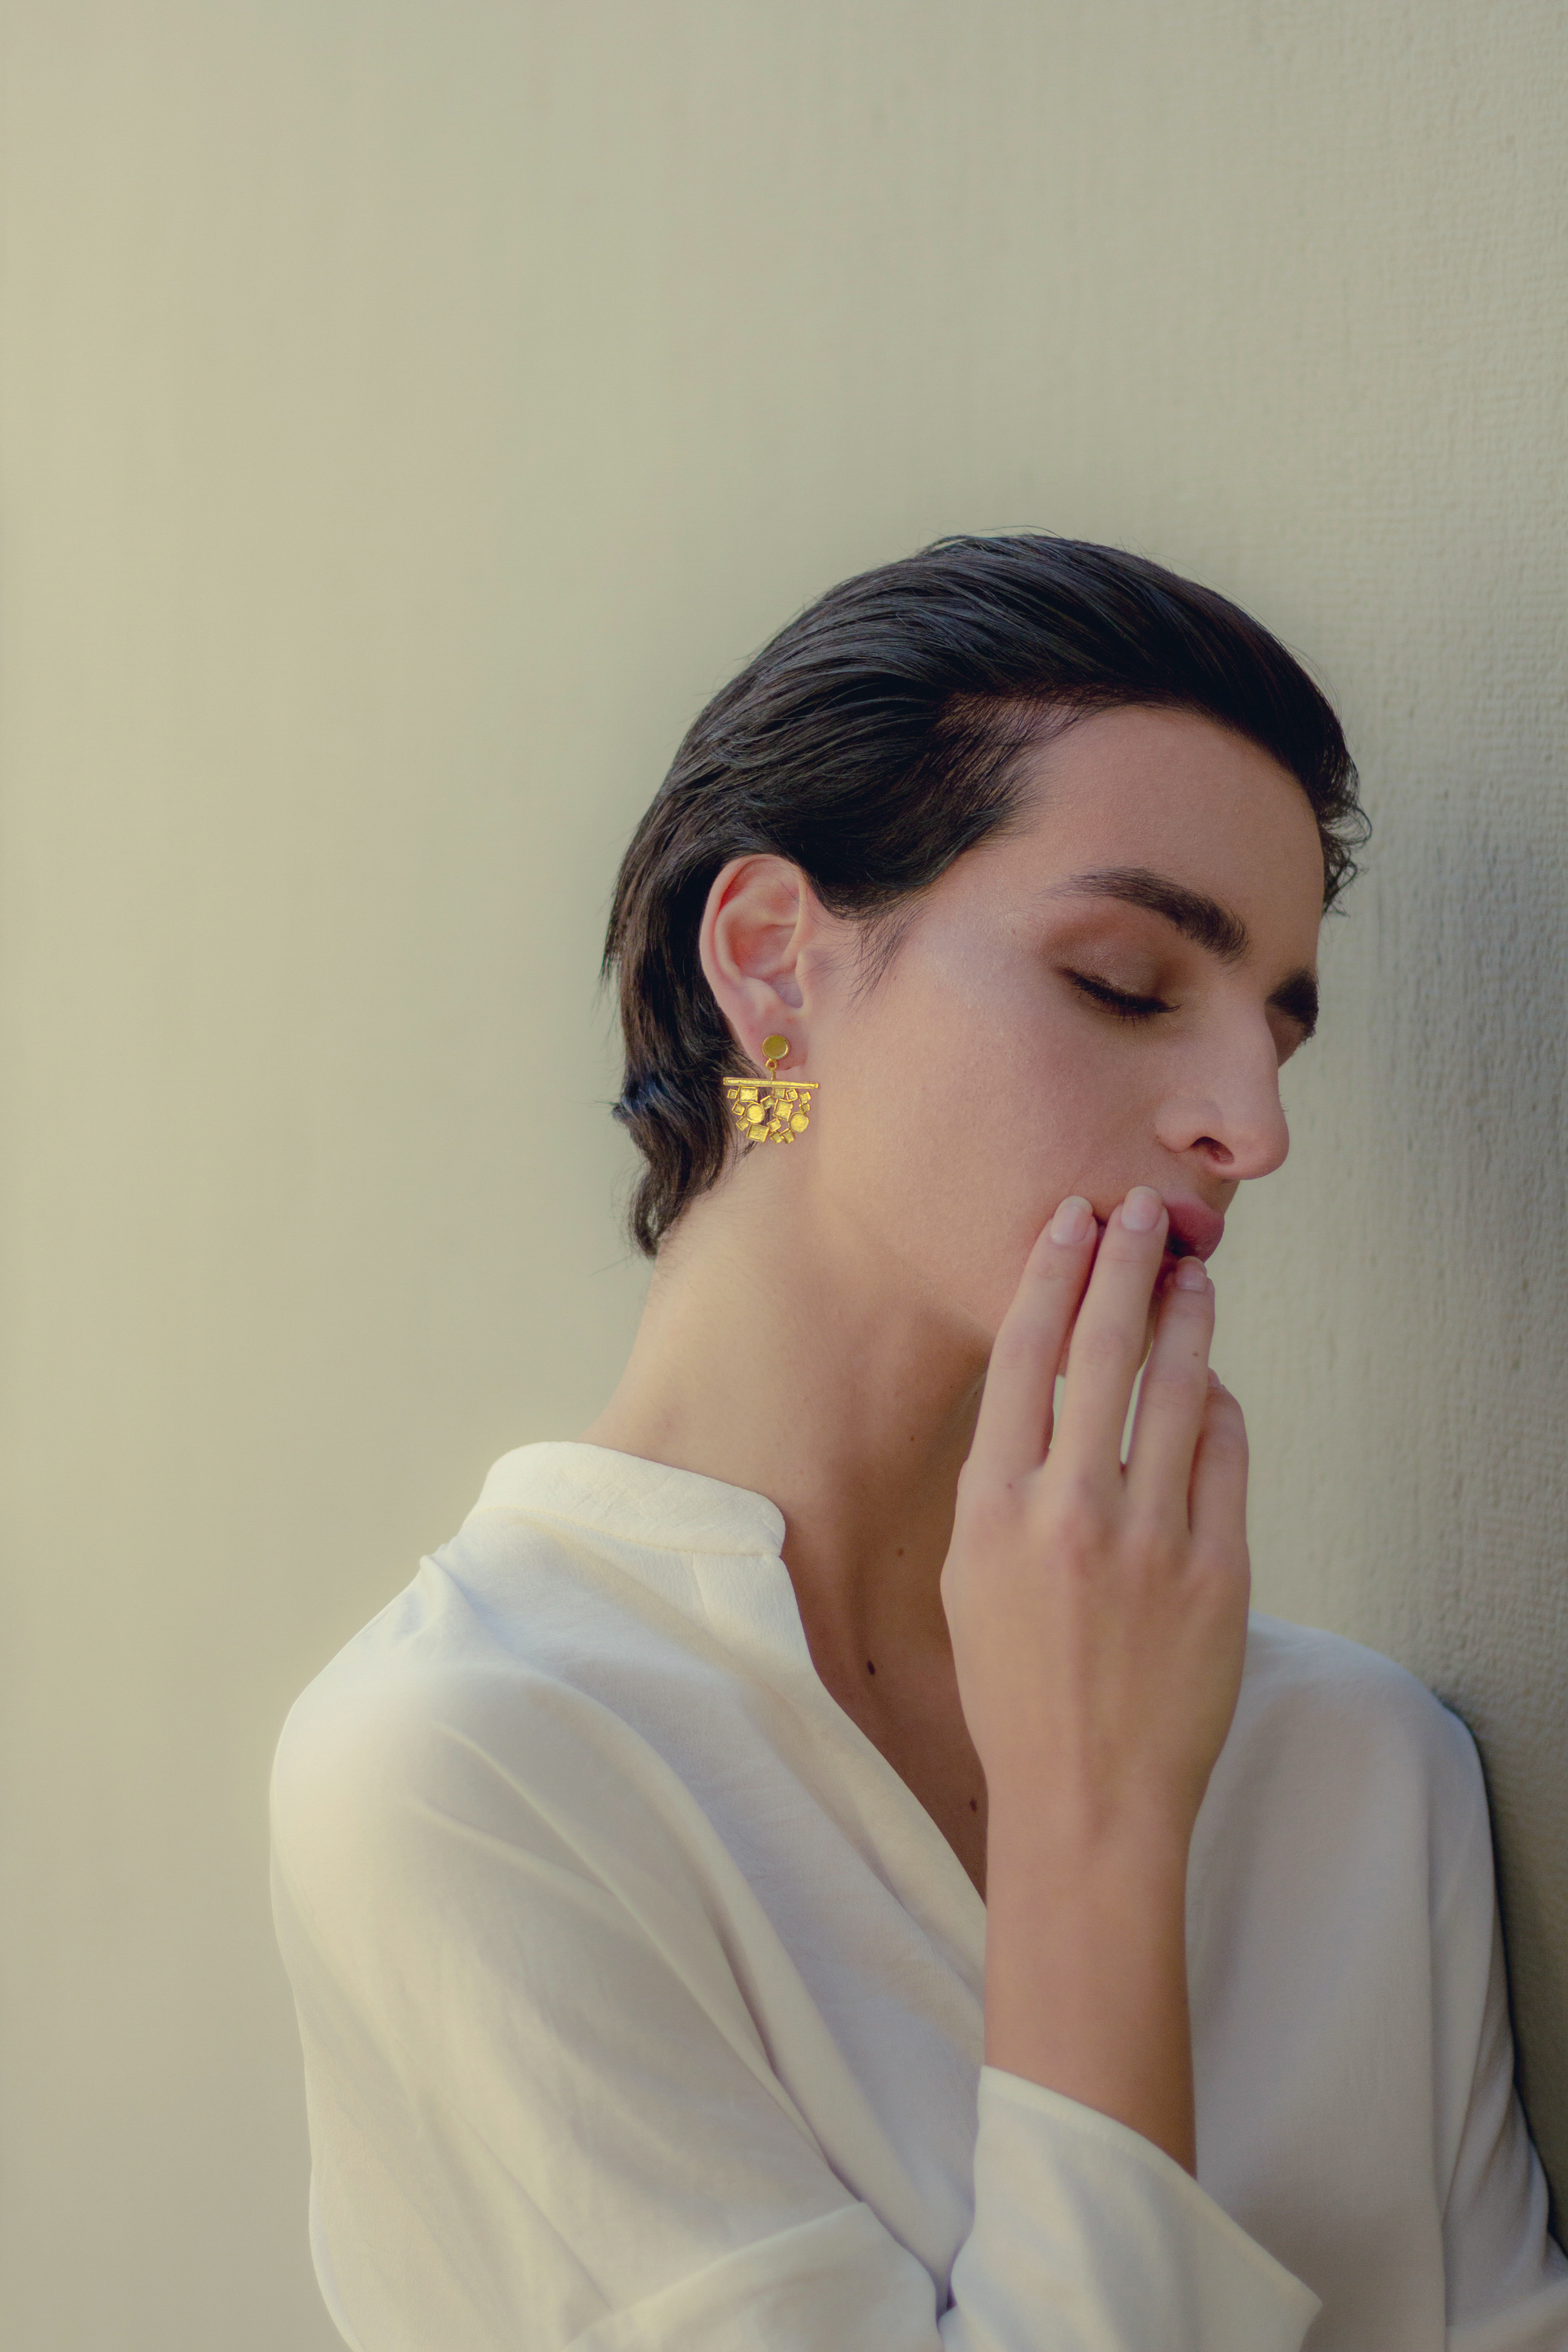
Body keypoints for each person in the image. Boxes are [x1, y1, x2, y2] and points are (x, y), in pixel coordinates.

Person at [271, 535, 1568, 2351]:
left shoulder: (1361, 1768)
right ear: (776, 967)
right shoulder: (474, 1771)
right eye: (1125, 981)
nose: (1252, 1127)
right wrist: (1096, 1828)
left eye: (1280, 1030)